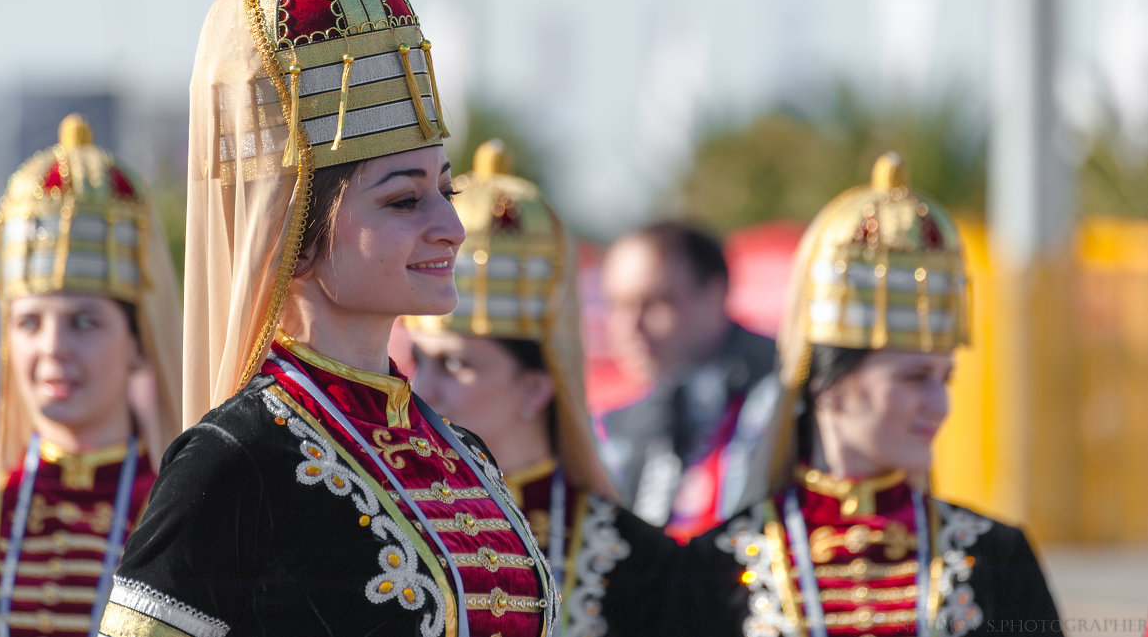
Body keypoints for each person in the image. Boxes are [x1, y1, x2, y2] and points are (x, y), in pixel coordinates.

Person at [99, 0, 558, 637]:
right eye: (404, 199)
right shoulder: (232, 461)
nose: (448, 225)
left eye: (447, 190)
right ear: (295, 234)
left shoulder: (462, 452)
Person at [675, 153, 1060, 636]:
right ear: (829, 385)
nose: (940, 406)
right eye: (914, 378)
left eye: (946, 379)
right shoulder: (719, 565)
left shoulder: (997, 558)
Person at [406, 140, 680, 637]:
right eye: (418, 360)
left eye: (455, 365)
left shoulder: (641, 562)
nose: (423, 390)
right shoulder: (381, 521)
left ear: (535, 388)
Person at [0, 115, 183, 637]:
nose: (53, 348)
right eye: (29, 322)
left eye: (84, 321)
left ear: (138, 341)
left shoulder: (186, 520)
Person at [599, 220, 777, 540]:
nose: (630, 326)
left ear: (714, 294)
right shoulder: (620, 422)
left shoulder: (787, 393)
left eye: (655, 303)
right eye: (617, 305)